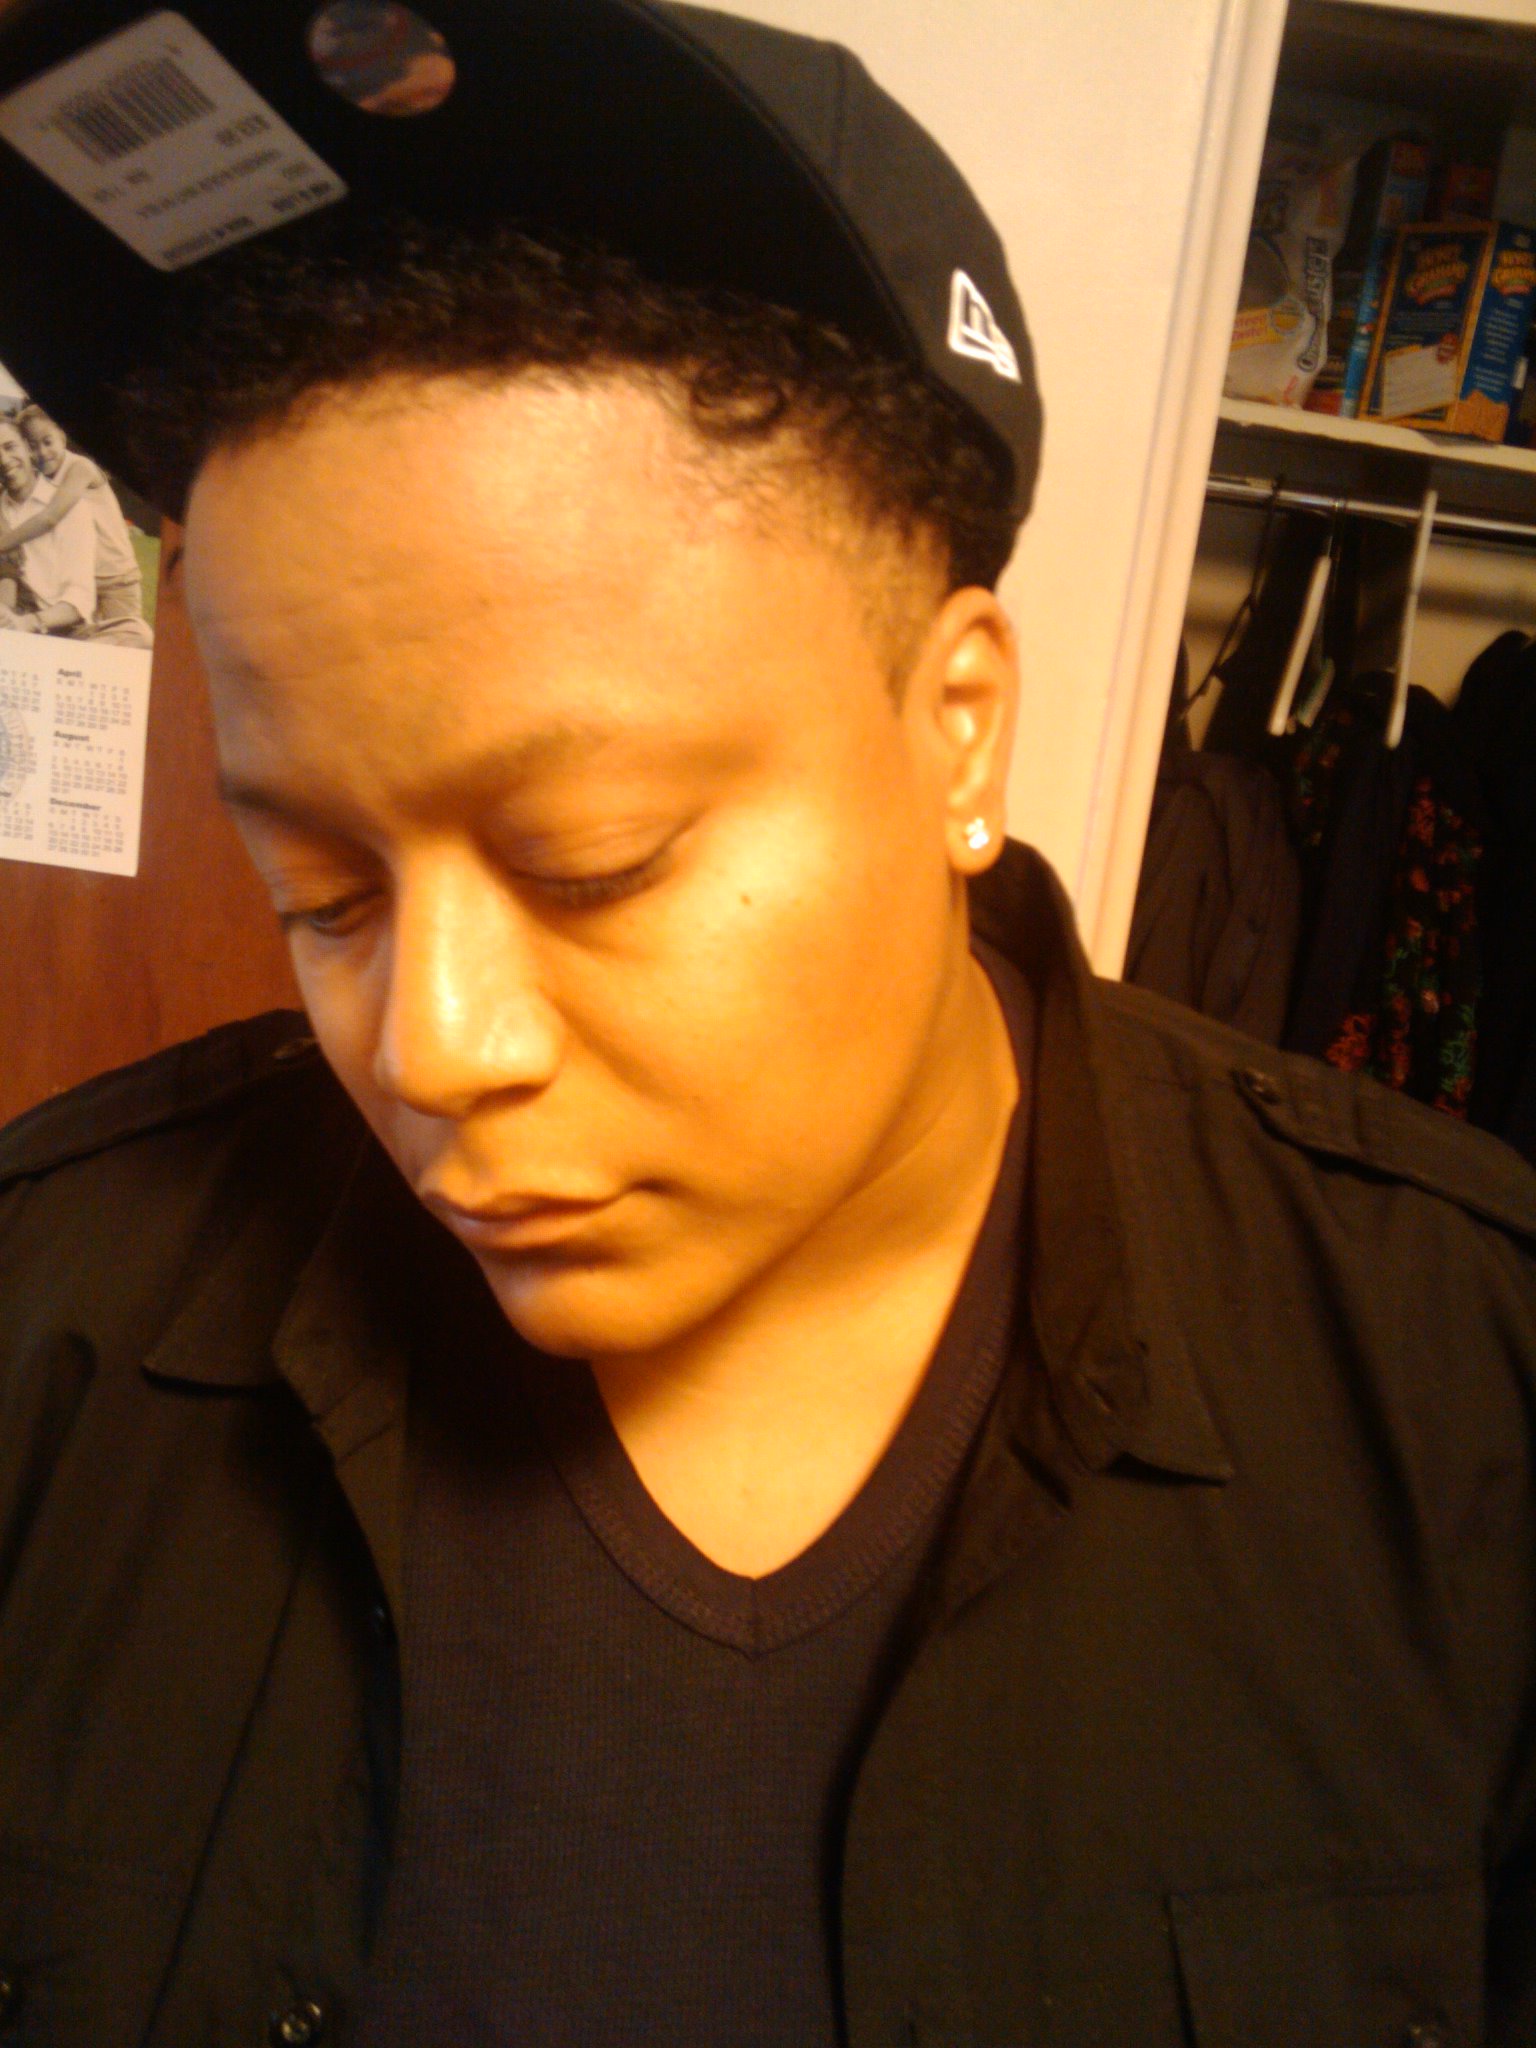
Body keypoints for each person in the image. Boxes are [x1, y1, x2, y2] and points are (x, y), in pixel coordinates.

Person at [0, 4, 1534, 2044]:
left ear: (955, 727)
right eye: (320, 891)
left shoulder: (1465, 1396)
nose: (430, 1049)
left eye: (597, 860)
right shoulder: (48, 1328)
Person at [4, 406, 154, 647]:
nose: (43, 452)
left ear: (62, 436)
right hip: (86, 581)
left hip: (116, 577)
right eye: (34, 445)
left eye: (47, 442)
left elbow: (49, 518)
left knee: (132, 635)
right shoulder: (42, 481)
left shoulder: (79, 469)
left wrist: (4, 542)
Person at [0, 415, 94, 638]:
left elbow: (80, 598)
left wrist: (31, 622)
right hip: (7, 627)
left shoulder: (69, 507)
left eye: (10, 447)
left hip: (58, 628)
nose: (3, 460)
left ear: (28, 448)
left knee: (135, 633)